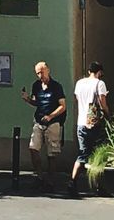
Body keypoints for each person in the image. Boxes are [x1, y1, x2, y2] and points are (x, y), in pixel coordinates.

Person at [21, 60, 67, 191]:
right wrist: (28, 99)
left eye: (42, 72)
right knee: (33, 148)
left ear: (48, 70)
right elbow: (37, 103)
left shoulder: (56, 86)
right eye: (38, 73)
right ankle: (39, 176)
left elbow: (63, 106)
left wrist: (51, 116)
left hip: (53, 122)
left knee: (51, 154)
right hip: (39, 120)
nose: (40, 75)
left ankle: (51, 180)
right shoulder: (36, 85)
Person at [70, 62, 108, 197]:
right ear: (99, 72)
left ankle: (73, 182)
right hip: (95, 124)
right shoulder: (100, 84)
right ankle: (98, 185)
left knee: (83, 154)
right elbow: (103, 103)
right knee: (97, 154)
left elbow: (77, 98)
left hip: (81, 123)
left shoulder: (79, 83)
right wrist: (108, 115)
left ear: (88, 71)